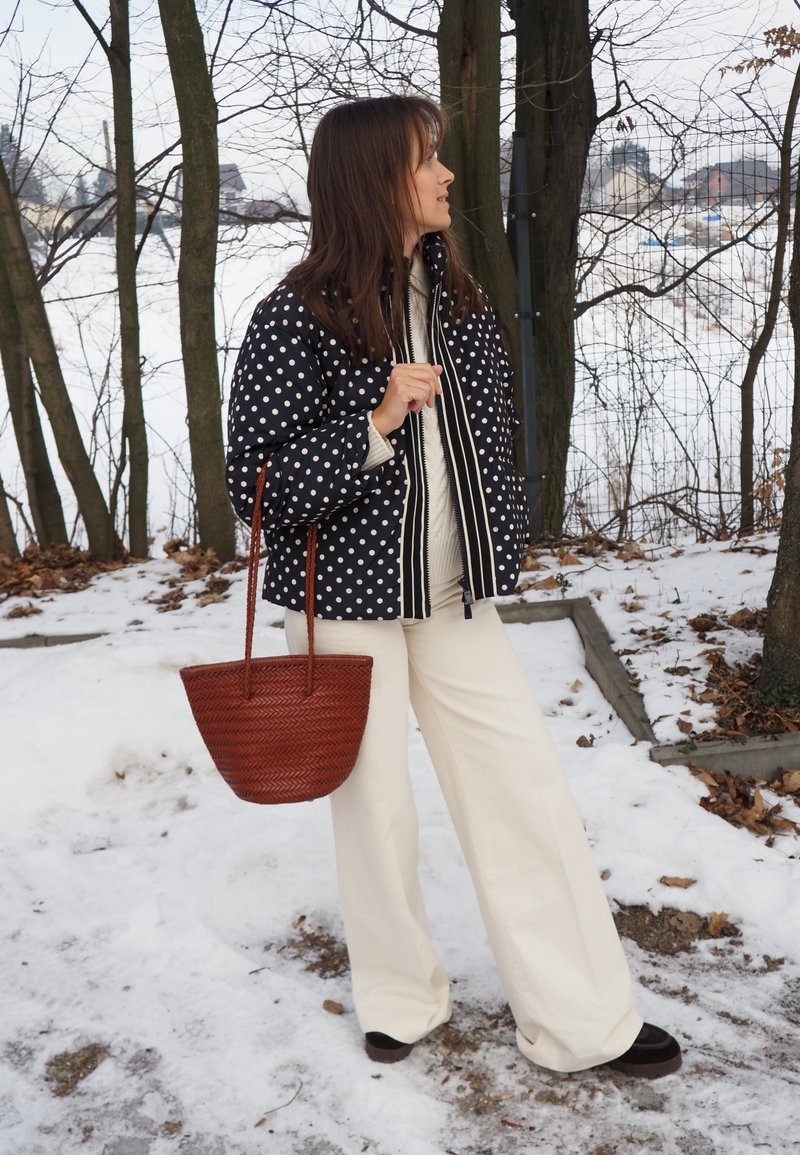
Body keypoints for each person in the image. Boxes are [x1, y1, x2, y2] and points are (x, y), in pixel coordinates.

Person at [226, 95, 681, 1079]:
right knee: (375, 804)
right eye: (424, 161)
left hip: (452, 596)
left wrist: (494, 539)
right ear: (373, 181)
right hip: (342, 603)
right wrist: (375, 422)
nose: (442, 177)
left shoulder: (461, 306)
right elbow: (251, 487)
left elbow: (493, 448)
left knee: (520, 789)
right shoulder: (291, 318)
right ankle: (399, 998)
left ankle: (581, 1018)